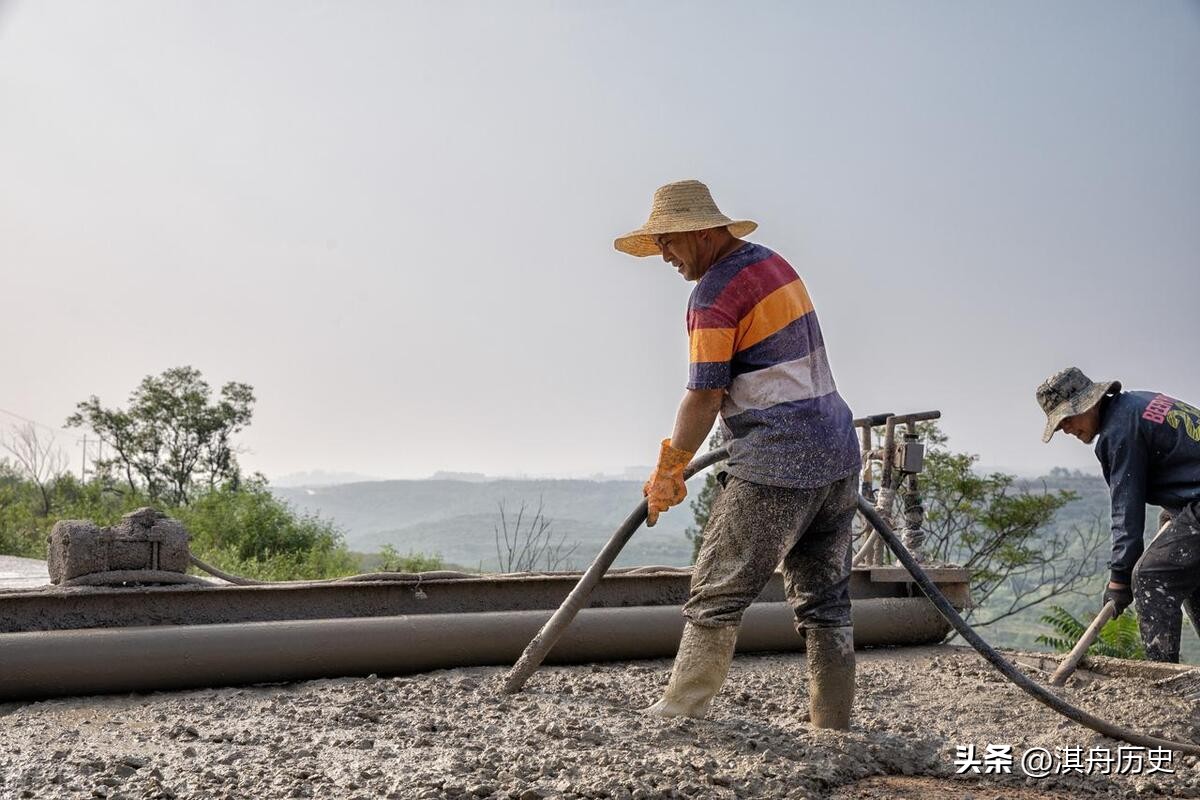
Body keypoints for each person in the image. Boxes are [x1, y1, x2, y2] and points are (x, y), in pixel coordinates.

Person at [614, 179, 862, 728]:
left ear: (701, 232)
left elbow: (705, 395)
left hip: (778, 459)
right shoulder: (774, 265)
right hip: (839, 453)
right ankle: (834, 725)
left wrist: (670, 469)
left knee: (716, 591)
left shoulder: (713, 295)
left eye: (670, 244)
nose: (666, 257)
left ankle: (680, 714)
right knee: (826, 600)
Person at [1037, 366, 1200, 662]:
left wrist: (1120, 578)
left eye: (1067, 419)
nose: (1067, 429)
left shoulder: (1119, 430)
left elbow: (1127, 512)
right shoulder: (1138, 404)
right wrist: (1174, 514)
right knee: (1184, 570)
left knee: (1151, 577)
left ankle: (1164, 683)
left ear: (1087, 403)